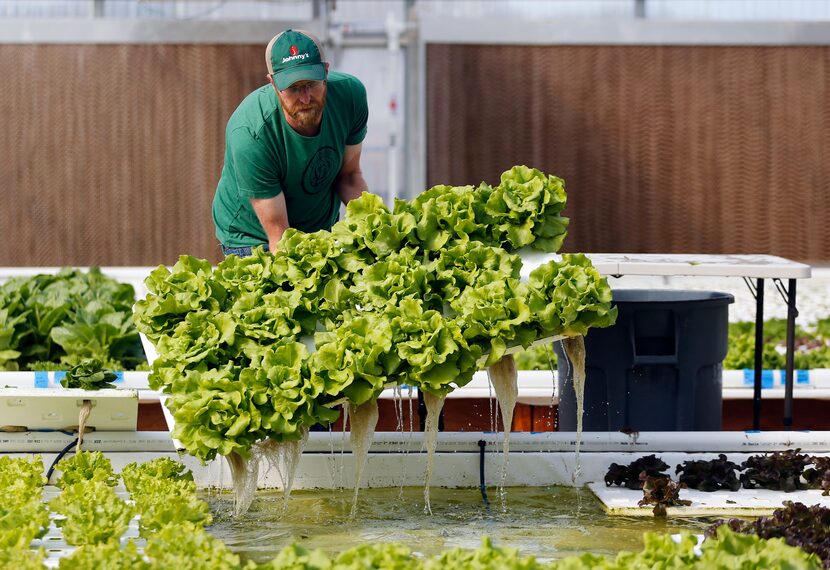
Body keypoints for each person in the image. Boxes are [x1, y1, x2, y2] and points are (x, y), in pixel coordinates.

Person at [212, 29, 370, 257]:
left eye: (311, 84)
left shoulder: (350, 97)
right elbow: (279, 237)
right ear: (273, 83)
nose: (305, 98)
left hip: (319, 225)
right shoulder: (251, 132)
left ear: (325, 72)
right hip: (253, 237)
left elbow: (349, 176)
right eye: (294, 88)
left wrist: (375, 230)